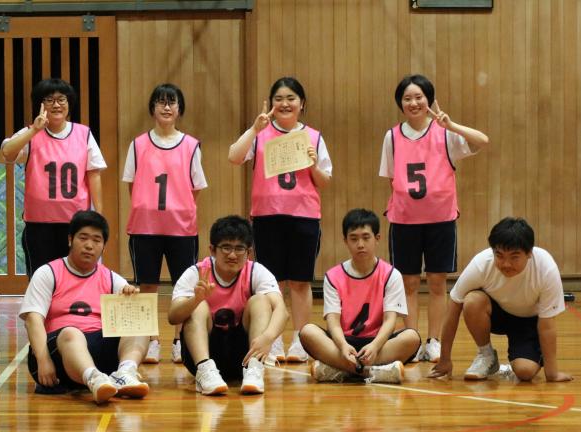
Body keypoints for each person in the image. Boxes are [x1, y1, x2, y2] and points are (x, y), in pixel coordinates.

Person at [379, 74, 488, 363]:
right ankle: (412, 340)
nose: (413, 103)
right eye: (407, 98)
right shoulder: (392, 137)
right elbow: (391, 178)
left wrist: (451, 125)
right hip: (404, 221)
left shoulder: (444, 132)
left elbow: (482, 141)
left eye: (419, 97)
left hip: (440, 220)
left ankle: (434, 340)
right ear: (400, 103)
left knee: (438, 283)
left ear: (429, 100)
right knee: (409, 284)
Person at [228, 77, 332, 363]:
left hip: (304, 216)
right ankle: (271, 340)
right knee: (271, 283)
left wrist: (313, 164)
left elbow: (324, 181)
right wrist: (254, 128)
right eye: (279, 98)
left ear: (302, 103)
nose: (285, 104)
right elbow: (234, 157)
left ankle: (300, 340)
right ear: (271, 103)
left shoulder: (314, 136)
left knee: (300, 282)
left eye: (291, 98)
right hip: (267, 216)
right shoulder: (261, 133)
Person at [19, 210, 150, 404]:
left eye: (97, 240)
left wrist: (130, 298)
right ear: (70, 240)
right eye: (83, 238)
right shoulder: (48, 273)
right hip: (58, 354)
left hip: (99, 351)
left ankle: (125, 373)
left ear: (103, 247)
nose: (89, 245)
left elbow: (133, 317)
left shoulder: (111, 278)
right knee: (72, 333)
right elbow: (33, 320)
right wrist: (43, 360)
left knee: (137, 322)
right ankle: (94, 379)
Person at [428, 217, 573, 382]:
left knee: (525, 372)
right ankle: (486, 356)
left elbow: (547, 325)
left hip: (528, 321)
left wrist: (552, 373)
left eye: (514, 257)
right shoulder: (482, 263)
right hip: (496, 314)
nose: (506, 264)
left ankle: (511, 366)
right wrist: (445, 359)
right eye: (500, 255)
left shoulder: (545, 268)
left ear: (529, 253)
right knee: (472, 300)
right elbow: (453, 308)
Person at [123, 83, 207, 365]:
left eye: (172, 102)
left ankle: (179, 341)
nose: (167, 107)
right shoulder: (138, 144)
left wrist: (178, 207)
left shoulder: (191, 145)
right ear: (152, 109)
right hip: (145, 226)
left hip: (181, 229)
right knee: (146, 285)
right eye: (161, 102)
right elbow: (132, 184)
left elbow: (196, 187)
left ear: (179, 109)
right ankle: (151, 340)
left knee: (183, 286)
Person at [168, 216, 288, 395]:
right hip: (202, 354)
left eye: (239, 248)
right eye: (226, 247)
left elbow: (282, 311)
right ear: (212, 250)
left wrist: (268, 338)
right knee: (197, 306)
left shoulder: (256, 271)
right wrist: (195, 300)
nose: (232, 255)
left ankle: (254, 370)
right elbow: (173, 317)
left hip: (244, 356)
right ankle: (205, 371)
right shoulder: (196, 273)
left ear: (248, 252)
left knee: (261, 301)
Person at [300, 209, 421, 384]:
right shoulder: (333, 276)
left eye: (366, 237)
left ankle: (340, 370)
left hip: (378, 343)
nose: (360, 244)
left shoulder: (391, 275)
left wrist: (375, 346)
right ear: (345, 241)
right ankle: (374, 372)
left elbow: (390, 320)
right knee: (307, 332)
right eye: (354, 239)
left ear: (377, 238)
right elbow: (333, 322)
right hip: (343, 342)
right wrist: (343, 346)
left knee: (412, 337)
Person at [2, 78, 107, 277]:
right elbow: (7, 153)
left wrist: (98, 216)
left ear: (69, 103)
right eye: (49, 100)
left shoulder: (83, 133)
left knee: (75, 276)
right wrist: (35, 129)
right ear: (40, 105)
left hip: (75, 222)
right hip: (39, 223)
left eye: (61, 99)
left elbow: (94, 173)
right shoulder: (31, 133)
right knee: (41, 277)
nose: (56, 105)